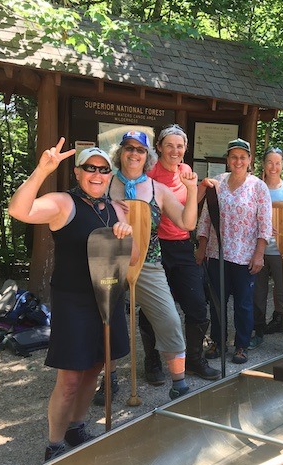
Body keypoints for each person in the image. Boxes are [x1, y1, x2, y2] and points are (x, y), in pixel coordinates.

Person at [8, 140, 135, 461]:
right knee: (70, 378)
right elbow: (18, 210)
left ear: (110, 174)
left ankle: (76, 427)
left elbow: (132, 257)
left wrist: (125, 235)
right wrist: (42, 170)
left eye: (103, 169)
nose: (96, 174)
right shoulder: (63, 203)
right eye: (89, 168)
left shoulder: (119, 208)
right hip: (74, 301)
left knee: (95, 367)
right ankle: (54, 443)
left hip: (108, 297)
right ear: (78, 172)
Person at [105, 130, 199, 401]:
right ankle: (108, 378)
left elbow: (187, 223)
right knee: (108, 321)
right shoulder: (106, 184)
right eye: (129, 148)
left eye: (140, 150)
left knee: (169, 320)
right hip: (110, 263)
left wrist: (192, 189)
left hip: (149, 262)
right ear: (120, 153)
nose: (134, 154)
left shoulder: (159, 189)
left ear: (148, 156)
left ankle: (178, 382)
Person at [141, 124, 220, 383]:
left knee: (197, 306)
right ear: (160, 147)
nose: (175, 151)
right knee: (154, 307)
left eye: (179, 146)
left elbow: (187, 209)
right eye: (170, 145)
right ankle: (152, 361)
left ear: (185, 149)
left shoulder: (186, 171)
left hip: (183, 245)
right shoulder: (149, 173)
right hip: (156, 246)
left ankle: (195, 360)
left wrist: (200, 188)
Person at [196, 138, 273, 364]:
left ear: (249, 160)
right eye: (233, 157)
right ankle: (218, 343)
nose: (238, 161)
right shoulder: (217, 183)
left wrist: (259, 254)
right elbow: (206, 217)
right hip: (216, 253)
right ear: (228, 160)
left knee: (243, 303)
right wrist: (201, 247)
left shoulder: (258, 186)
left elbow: (265, 223)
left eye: (242, 157)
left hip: (244, 256)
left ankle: (241, 345)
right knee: (217, 302)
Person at [249, 147, 283, 350]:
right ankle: (258, 331)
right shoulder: (255, 187)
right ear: (263, 165)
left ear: (282, 165)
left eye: (278, 162)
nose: (273, 167)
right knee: (258, 294)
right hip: (258, 251)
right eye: (270, 162)